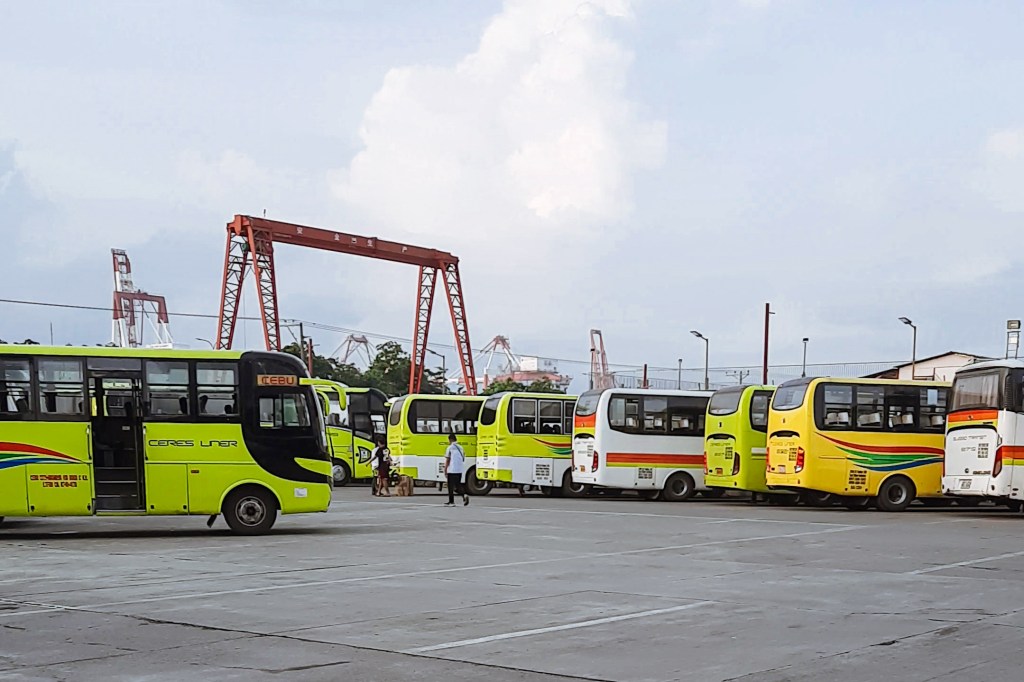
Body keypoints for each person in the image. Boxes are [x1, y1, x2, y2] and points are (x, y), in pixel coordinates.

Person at [444, 433, 468, 507]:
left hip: (452, 469)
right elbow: (463, 458)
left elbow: (448, 459)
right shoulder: (461, 447)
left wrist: (445, 469)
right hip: (459, 469)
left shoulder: (450, 448)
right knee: (458, 485)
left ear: (450, 439)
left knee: (450, 486)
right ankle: (464, 495)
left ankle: (451, 502)